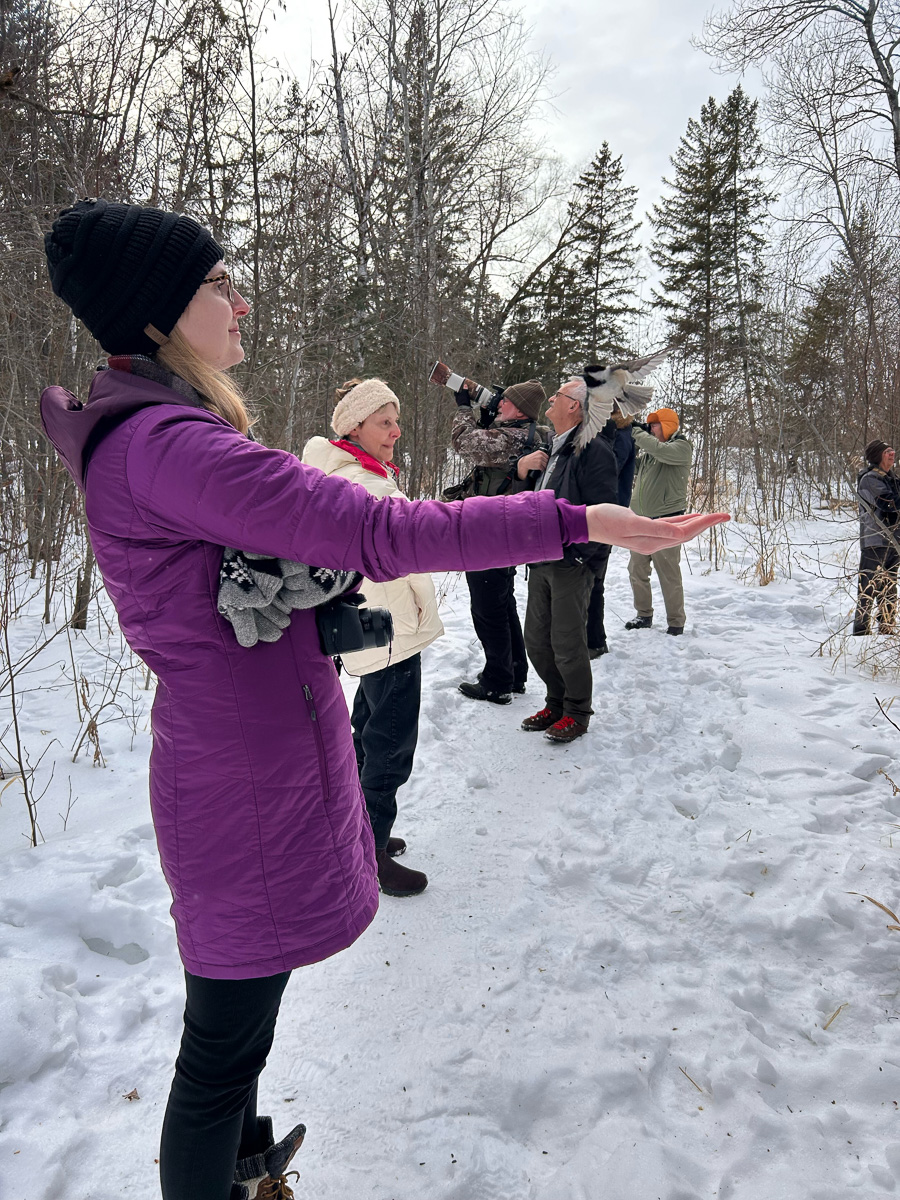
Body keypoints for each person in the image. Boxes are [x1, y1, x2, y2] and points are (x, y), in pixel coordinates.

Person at [40, 199, 726, 1200]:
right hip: (241, 787)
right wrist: (580, 518)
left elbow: (228, 609)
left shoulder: (163, 433)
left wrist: (325, 626)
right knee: (221, 1050)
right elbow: (383, 532)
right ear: (156, 313)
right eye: (218, 284)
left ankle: (247, 1172)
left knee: (243, 1032)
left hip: (252, 763)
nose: (241, 301)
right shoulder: (169, 449)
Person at [302, 378, 442, 897]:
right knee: (389, 743)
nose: (396, 432)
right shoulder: (364, 485)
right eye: (384, 422)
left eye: (396, 421)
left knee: (366, 731)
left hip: (378, 627)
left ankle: (361, 835)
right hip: (390, 631)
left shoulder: (349, 473)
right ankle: (373, 855)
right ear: (354, 426)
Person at [519, 379, 618, 743]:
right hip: (541, 558)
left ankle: (577, 711)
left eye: (557, 395)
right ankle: (556, 701)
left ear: (573, 406)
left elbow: (605, 511)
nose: (550, 400)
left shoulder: (594, 450)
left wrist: (583, 559)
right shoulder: (554, 446)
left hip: (570, 562)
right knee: (537, 640)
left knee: (566, 642)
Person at [450, 378, 550, 704]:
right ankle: (515, 672)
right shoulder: (534, 434)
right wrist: (490, 414)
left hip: (490, 534)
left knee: (487, 607)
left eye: (504, 401)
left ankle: (497, 681)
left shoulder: (510, 438)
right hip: (510, 532)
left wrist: (464, 407)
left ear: (519, 408)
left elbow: (463, 443)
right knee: (503, 603)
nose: (499, 403)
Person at [625, 405, 693, 636]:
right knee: (636, 569)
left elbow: (659, 449)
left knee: (668, 572)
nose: (651, 429)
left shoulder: (682, 446)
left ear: (668, 426)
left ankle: (676, 622)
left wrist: (635, 431)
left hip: (668, 520)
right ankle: (643, 615)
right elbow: (631, 465)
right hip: (641, 519)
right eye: (650, 425)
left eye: (654, 425)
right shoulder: (650, 456)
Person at [586, 404, 638, 657]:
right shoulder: (619, 434)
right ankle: (593, 640)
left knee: (593, 582)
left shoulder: (620, 436)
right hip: (603, 514)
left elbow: (606, 469)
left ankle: (594, 641)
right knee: (593, 581)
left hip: (605, 516)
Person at [854, 438, 900, 635]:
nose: (892, 453)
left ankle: (886, 628)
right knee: (868, 587)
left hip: (893, 541)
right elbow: (889, 504)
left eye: (892, 450)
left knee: (889, 587)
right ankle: (861, 633)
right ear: (877, 456)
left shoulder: (893, 479)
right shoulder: (870, 479)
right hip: (875, 541)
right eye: (887, 451)